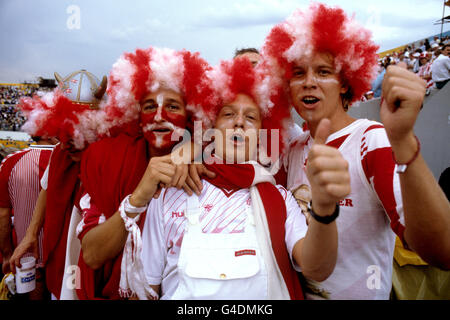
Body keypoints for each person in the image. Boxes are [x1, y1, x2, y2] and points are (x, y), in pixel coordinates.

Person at [119, 55, 351, 300]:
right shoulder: (170, 193)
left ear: (263, 133)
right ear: (211, 125)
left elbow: (318, 268)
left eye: (251, 117)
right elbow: (144, 291)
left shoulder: (280, 198)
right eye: (228, 114)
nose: (239, 122)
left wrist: (325, 210)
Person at [263, 3, 450, 299]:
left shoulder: (371, 139)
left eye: (323, 71)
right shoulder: (293, 149)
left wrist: (403, 142)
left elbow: (441, 250)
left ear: (344, 82)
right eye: (298, 73)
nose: (309, 82)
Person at [75, 47, 217, 300]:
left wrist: (196, 148)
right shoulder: (107, 161)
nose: (159, 116)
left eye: (172, 106)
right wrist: (139, 196)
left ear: (189, 117)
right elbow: (92, 255)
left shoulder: (209, 163)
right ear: (137, 116)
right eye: (149, 107)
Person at [9, 70, 107, 300]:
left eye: (76, 132)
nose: (66, 142)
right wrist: (30, 235)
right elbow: (46, 189)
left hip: (88, 264)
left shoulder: (108, 156)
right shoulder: (58, 153)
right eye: (62, 131)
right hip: (59, 260)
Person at [0, 137, 56, 299]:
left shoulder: (11, 162)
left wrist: (6, 255)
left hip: (25, 260)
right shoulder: (72, 160)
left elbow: (3, 216)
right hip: (65, 260)